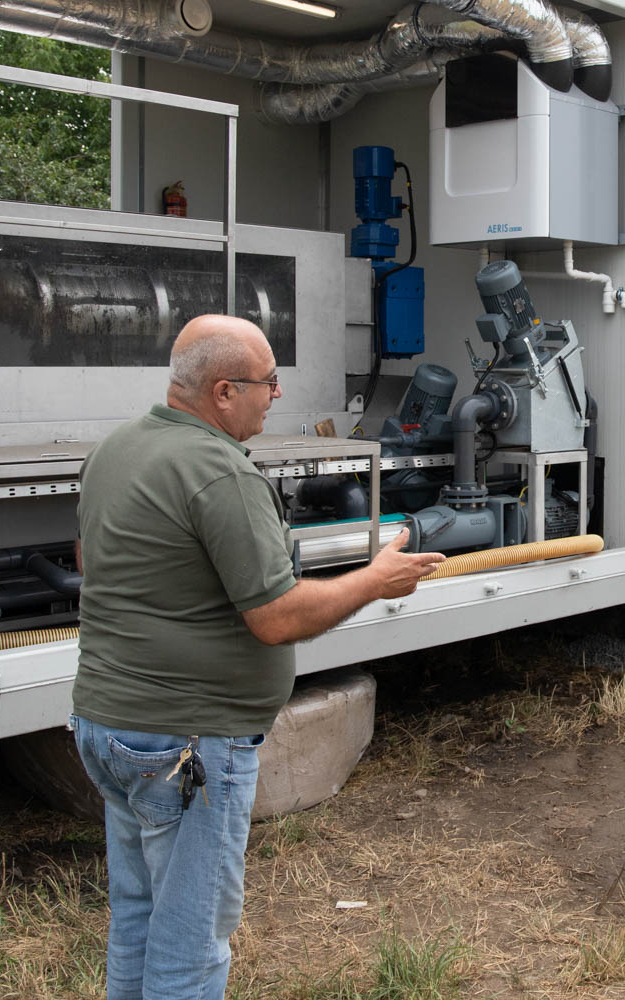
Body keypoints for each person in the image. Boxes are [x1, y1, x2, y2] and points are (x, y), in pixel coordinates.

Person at [70, 314, 445, 1000]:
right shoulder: (220, 473)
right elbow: (275, 618)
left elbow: (91, 561)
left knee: (137, 920)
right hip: (185, 745)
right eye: (268, 382)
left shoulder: (117, 449)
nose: (276, 394)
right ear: (221, 392)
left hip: (108, 727)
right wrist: (376, 579)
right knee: (189, 947)